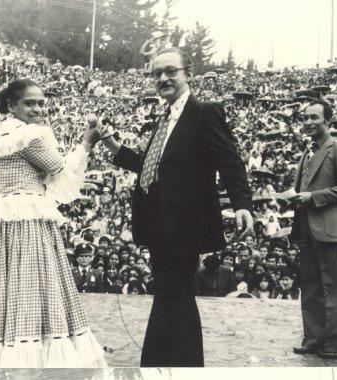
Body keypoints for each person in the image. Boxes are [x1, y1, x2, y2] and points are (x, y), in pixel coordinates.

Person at [96, 47, 253, 367]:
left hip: (186, 222)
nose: (163, 79)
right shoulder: (165, 117)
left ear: (188, 73)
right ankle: (165, 364)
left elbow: (230, 160)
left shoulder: (205, 111)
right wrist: (113, 145)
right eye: (157, 74)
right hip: (159, 223)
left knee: (176, 294)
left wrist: (242, 205)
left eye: (171, 71)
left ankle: (169, 365)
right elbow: (150, 166)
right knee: (171, 295)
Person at [0, 79, 106, 368]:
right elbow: (63, 176)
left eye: (42, 103)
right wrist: (85, 144)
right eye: (30, 103)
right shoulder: (30, 136)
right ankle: (33, 352)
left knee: (3, 285)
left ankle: (4, 347)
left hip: (2, 221)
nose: (38, 109)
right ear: (11, 105)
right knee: (33, 282)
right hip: (27, 218)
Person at [289, 100, 337, 359]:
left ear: (327, 121)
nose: (308, 122)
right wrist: (295, 196)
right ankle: (314, 339)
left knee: (334, 286)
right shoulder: (307, 151)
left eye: (314, 118)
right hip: (306, 226)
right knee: (310, 284)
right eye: (305, 118)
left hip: (327, 226)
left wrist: (313, 197)